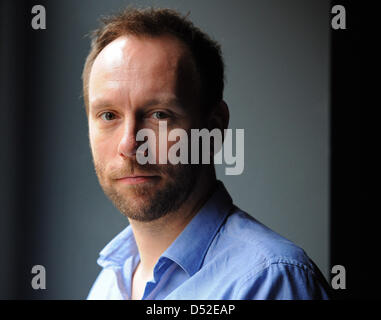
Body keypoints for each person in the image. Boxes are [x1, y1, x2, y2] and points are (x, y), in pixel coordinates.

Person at [83, 7, 331, 300]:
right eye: (109, 115)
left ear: (213, 127)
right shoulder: (109, 283)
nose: (129, 145)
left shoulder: (270, 281)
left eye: (159, 115)